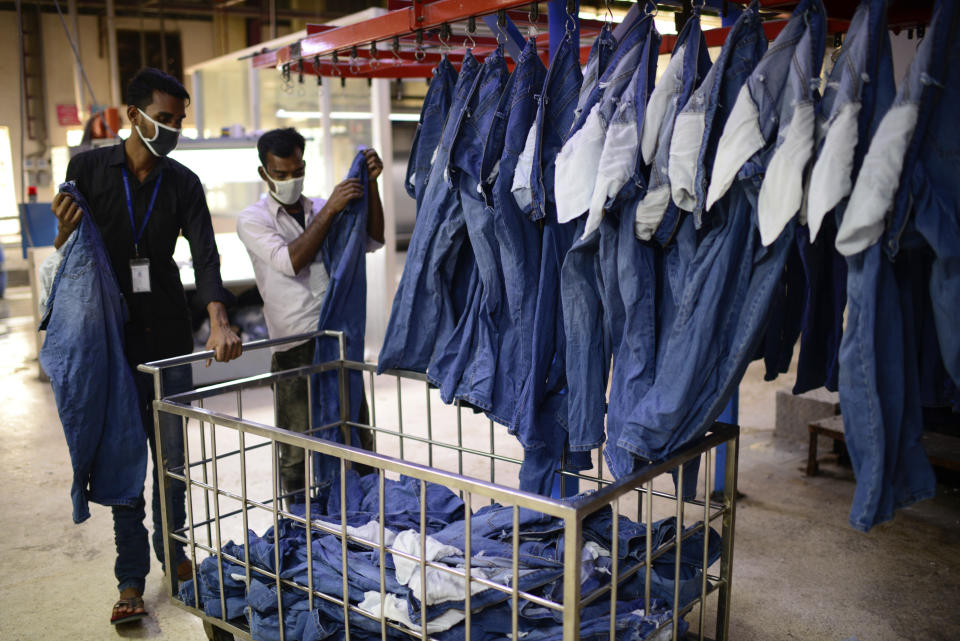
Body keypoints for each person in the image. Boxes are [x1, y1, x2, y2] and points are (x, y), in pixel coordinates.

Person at [51, 67, 242, 625]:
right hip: (111, 339)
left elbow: (206, 256)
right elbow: (70, 250)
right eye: (164, 119)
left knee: (173, 459)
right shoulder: (86, 169)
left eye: (179, 121)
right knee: (123, 454)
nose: (174, 130)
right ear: (132, 116)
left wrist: (218, 319)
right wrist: (62, 231)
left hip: (169, 336)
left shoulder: (182, 183)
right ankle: (130, 575)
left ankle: (175, 550)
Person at [236, 128, 384, 501]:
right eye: (282, 174)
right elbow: (290, 260)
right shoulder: (254, 220)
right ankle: (301, 521)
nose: (291, 180)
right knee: (298, 444)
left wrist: (373, 188)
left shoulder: (320, 205)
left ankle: (364, 510)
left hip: (335, 339)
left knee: (355, 431)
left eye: (297, 171)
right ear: (263, 173)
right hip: (293, 346)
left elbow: (373, 239)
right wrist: (333, 209)